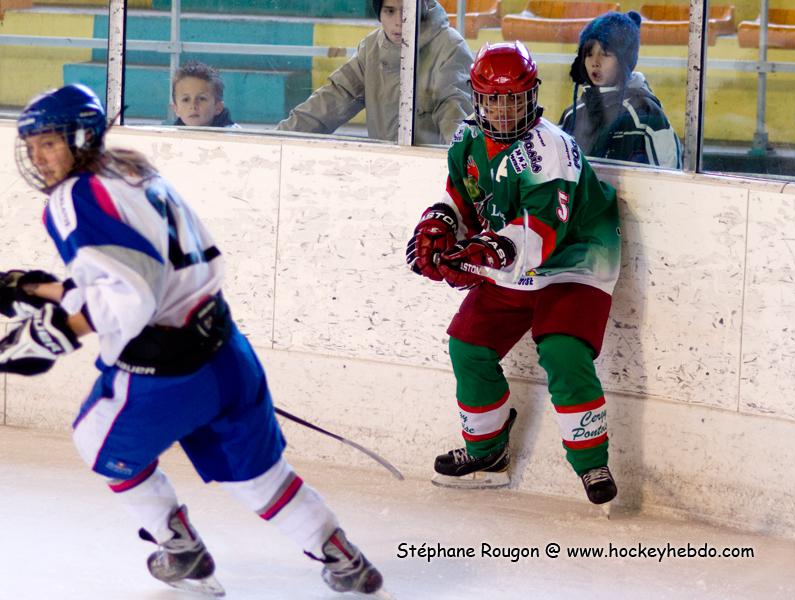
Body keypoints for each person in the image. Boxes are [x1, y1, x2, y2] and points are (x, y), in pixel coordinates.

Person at [2, 84, 382, 596]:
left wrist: (55, 333)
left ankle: (180, 549)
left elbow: (132, 296)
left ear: (81, 137)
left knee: (97, 440)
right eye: (31, 147)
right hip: (225, 350)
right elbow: (144, 274)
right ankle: (344, 559)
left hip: (166, 371)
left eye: (48, 144)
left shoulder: (75, 197)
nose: (38, 158)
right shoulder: (132, 169)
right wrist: (39, 289)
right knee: (259, 477)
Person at [406, 42, 621, 505]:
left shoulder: (551, 148)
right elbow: (463, 199)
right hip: (513, 253)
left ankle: (592, 462)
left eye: (514, 99)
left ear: (532, 95)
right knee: (468, 345)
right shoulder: (466, 140)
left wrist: (483, 253)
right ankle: (487, 451)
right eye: (493, 100)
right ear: (477, 98)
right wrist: (440, 223)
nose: (504, 111)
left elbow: (542, 231)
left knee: (563, 350)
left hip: (576, 256)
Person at [275, 0, 472, 145]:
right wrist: (276, 139)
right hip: (383, 167)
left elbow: (456, 124)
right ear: (379, 13)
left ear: (423, 7)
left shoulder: (451, 48)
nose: (399, 21)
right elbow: (331, 100)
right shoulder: (371, 49)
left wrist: (455, 173)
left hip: (433, 174)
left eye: (406, 11)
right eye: (389, 11)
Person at [558, 10, 682, 168]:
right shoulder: (572, 114)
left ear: (625, 59)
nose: (595, 62)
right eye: (589, 54)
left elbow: (669, 172)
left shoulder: (645, 114)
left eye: (605, 54)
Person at [171, 61, 239, 128]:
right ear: (176, 109)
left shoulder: (233, 133)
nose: (193, 106)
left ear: (218, 107)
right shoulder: (170, 133)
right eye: (186, 100)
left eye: (202, 99)